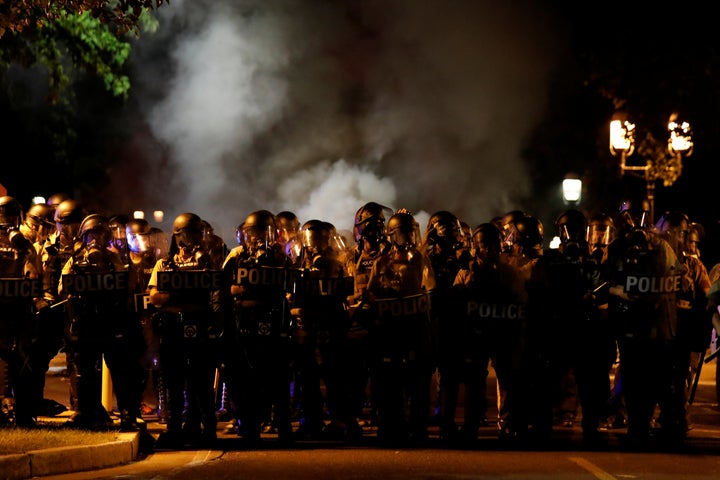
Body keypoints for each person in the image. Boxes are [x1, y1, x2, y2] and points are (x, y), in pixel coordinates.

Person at [606, 211, 686, 449]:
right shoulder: (631, 248)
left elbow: (680, 278)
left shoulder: (661, 250)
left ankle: (647, 430)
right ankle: (652, 429)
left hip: (649, 330)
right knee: (647, 382)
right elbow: (609, 279)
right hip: (647, 330)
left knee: (646, 382)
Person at [148, 212, 224, 448]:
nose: (193, 239)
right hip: (173, 329)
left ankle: (205, 429)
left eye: (196, 234)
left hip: (199, 328)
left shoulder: (207, 262)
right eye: (188, 234)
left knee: (200, 383)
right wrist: (174, 294)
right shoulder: (165, 264)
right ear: (179, 237)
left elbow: (217, 293)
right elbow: (154, 297)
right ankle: (174, 430)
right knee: (174, 382)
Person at [59, 213, 141, 430]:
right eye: (91, 235)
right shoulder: (74, 260)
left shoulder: (116, 260)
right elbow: (62, 288)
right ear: (84, 237)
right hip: (85, 325)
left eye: (100, 234)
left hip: (112, 324)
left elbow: (130, 285)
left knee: (122, 371)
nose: (95, 239)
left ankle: (127, 414)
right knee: (84, 373)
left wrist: (116, 263)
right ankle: (86, 413)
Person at [449, 222, 528, 445]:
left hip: (502, 333)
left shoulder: (510, 272)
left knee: (508, 380)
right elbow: (456, 303)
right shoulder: (465, 272)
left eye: (493, 245)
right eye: (484, 245)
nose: (489, 250)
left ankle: (509, 425)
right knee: (474, 382)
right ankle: (471, 426)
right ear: (476, 246)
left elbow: (521, 301)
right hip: (476, 334)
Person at [221, 210, 294, 446]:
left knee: (279, 377)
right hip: (244, 322)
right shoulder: (236, 255)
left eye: (262, 232)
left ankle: (283, 427)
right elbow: (223, 288)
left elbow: (292, 286)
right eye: (252, 233)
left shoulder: (282, 255)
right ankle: (249, 426)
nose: (256, 237)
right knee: (245, 378)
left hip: (275, 321)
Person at [366, 211, 436, 445]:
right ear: (393, 236)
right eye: (403, 233)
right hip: (392, 331)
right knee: (391, 383)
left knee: (418, 383)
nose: (408, 238)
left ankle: (418, 429)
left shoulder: (421, 260)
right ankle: (390, 428)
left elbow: (430, 291)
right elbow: (372, 293)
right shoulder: (382, 262)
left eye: (410, 232)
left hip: (415, 328)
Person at [291, 219, 357, 441]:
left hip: (332, 322)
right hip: (307, 323)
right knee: (307, 377)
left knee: (335, 375)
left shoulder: (340, 259)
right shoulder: (298, 260)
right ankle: (311, 421)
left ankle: (343, 422)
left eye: (320, 237)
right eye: (313, 238)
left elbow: (350, 291)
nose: (316, 243)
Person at [654, 211, 711, 437]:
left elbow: (706, 295)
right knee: (656, 374)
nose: (676, 237)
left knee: (680, 377)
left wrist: (704, 320)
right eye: (671, 232)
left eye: (680, 233)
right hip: (658, 328)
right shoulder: (654, 259)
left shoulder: (694, 266)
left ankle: (676, 415)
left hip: (683, 330)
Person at [344, 202, 393, 428]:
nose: (375, 229)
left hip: (383, 323)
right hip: (357, 325)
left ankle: (383, 416)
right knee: (355, 375)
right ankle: (352, 418)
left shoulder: (392, 254)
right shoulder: (350, 257)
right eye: (370, 224)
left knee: (384, 376)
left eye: (380, 224)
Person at [0, 196, 42, 427]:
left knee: (22, 360)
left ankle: (24, 413)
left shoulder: (24, 244)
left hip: (18, 309)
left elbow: (32, 273)